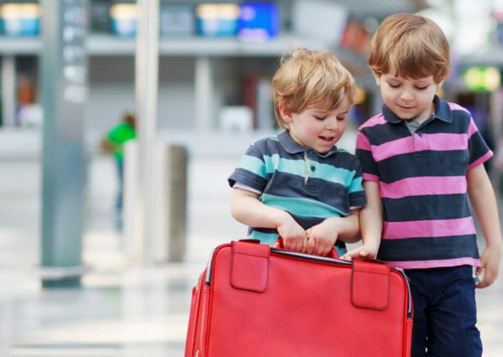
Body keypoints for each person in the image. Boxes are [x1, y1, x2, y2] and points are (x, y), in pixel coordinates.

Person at [342, 13, 502, 357]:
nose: (406, 97)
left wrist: (494, 242)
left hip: (455, 267)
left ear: (440, 78)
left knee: (460, 349)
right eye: (395, 84)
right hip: (397, 270)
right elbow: (372, 199)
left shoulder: (461, 122)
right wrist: (370, 244)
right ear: (377, 75)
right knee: (400, 349)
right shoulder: (371, 135)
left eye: (420, 86)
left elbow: (478, 185)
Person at [228, 48, 366, 256]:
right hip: (267, 272)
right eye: (321, 117)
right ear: (287, 112)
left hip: (326, 275)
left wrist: (335, 227)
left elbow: (357, 223)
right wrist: (280, 220)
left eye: (341, 117)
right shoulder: (265, 152)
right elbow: (240, 204)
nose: (333, 126)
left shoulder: (348, 166)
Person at [101, 112, 136, 224]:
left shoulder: (131, 130)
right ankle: (119, 209)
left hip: (131, 161)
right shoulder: (122, 129)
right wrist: (117, 148)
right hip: (122, 160)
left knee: (128, 185)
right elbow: (106, 142)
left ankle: (126, 208)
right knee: (123, 185)